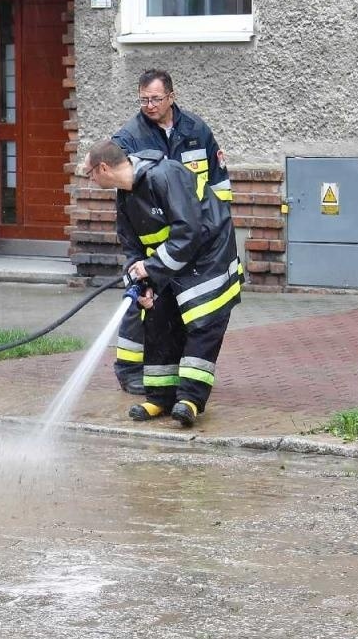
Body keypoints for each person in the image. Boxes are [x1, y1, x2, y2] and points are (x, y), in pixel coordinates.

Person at [80, 138, 242, 427]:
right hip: (172, 263)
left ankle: (190, 400)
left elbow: (188, 230)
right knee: (158, 318)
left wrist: (152, 268)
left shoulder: (165, 175)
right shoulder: (125, 194)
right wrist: (142, 282)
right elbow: (131, 244)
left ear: (102, 168)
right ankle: (160, 398)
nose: (89, 180)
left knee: (203, 322)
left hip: (208, 260)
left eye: (88, 173)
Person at [107, 70, 233, 395]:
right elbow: (123, 190)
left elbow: (218, 181)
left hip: (194, 236)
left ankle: (172, 370)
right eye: (144, 99)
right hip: (155, 235)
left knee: (184, 306)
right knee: (143, 299)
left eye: (155, 99)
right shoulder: (128, 138)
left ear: (171, 97)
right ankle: (129, 367)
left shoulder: (196, 131)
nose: (149, 105)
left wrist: (217, 227)